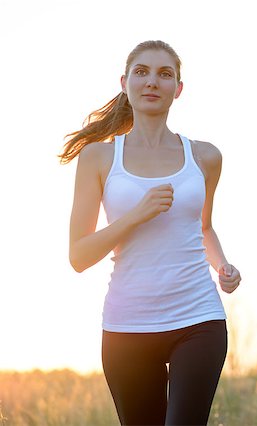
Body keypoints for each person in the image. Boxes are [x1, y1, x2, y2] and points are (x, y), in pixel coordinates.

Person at [59, 40, 241, 426]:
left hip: (198, 317)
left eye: (164, 73)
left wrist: (223, 266)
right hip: (127, 324)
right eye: (141, 72)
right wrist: (135, 215)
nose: (152, 81)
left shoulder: (205, 157)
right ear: (125, 83)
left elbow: (203, 227)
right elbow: (79, 256)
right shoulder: (100, 157)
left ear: (178, 88)